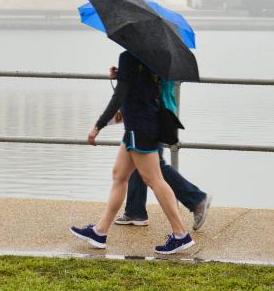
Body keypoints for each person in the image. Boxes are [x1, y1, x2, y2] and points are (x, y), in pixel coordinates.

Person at [70, 50, 195, 255]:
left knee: (155, 180)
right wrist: (122, 75)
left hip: (139, 127)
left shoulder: (129, 56)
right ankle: (99, 232)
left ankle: (181, 234)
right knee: (119, 175)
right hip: (141, 126)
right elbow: (143, 86)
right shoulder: (153, 57)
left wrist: (98, 126)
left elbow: (119, 96)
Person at [110, 67, 211, 230]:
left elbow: (148, 84)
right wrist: (123, 74)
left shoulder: (155, 57)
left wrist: (125, 76)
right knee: (138, 159)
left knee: (154, 166)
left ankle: (196, 200)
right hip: (151, 115)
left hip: (151, 116)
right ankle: (135, 211)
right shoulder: (157, 54)